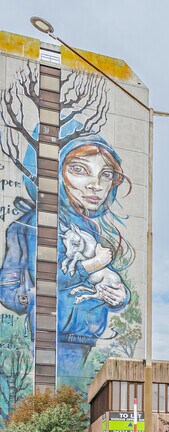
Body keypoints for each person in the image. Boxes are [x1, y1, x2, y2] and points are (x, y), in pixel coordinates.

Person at [0, 121, 133, 393]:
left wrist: (121, 298)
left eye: (106, 174)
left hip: (86, 336)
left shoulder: (92, 228)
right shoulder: (29, 226)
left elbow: (111, 283)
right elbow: (14, 288)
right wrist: (32, 297)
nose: (96, 186)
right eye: (79, 170)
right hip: (52, 336)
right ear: (55, 172)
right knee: (56, 401)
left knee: (74, 405)